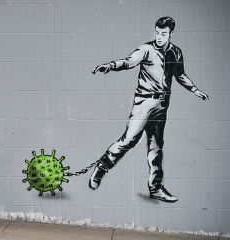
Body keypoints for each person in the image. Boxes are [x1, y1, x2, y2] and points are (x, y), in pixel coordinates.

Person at [89, 17, 209, 203]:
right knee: (128, 141)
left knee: (156, 148)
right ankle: (101, 168)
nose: (159, 37)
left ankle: (156, 188)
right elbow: (129, 62)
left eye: (163, 34)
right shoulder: (146, 49)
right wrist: (111, 66)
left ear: (170, 34)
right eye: (157, 33)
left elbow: (180, 75)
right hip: (144, 104)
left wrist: (195, 90)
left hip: (162, 106)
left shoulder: (176, 52)